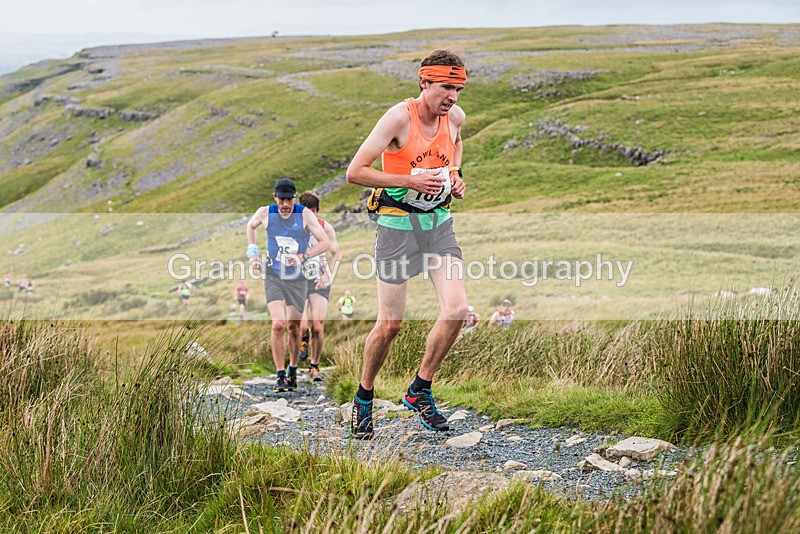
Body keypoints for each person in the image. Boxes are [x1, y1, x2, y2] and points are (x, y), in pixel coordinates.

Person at [344, 49, 469, 439]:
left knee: (458, 309)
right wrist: (409, 181)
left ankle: (420, 389)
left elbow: (457, 145)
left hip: (438, 225)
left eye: (459, 88)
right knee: (390, 325)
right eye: (445, 87)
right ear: (424, 81)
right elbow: (355, 172)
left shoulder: (456, 118)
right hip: (397, 228)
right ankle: (364, 396)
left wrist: (454, 174)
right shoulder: (399, 118)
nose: (452, 96)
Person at [246, 178, 329, 393]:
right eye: (281, 199)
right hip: (273, 275)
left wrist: (303, 256)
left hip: (297, 279)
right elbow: (250, 226)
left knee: (294, 327)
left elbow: (324, 242)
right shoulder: (266, 213)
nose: (285, 204)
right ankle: (280, 374)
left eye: (289, 200)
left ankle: (293, 369)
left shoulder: (304, 215)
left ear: (294, 198)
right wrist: (253, 254)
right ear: (275, 197)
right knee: (278, 325)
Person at [296, 191, 342, 382]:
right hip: (298, 280)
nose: (310, 218)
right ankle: (302, 340)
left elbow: (337, 255)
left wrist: (327, 276)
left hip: (319, 279)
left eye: (313, 213)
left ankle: (314, 366)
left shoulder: (325, 228)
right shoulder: (292, 227)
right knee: (303, 326)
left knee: (318, 326)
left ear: (318, 212)